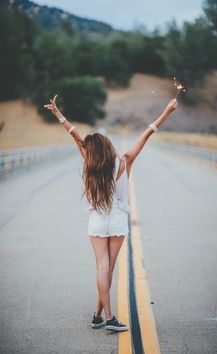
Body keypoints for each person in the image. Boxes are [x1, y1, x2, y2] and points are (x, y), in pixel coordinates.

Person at [44, 94, 177, 332]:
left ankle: (98, 315)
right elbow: (147, 133)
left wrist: (57, 114)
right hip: (116, 221)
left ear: (93, 151)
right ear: (108, 147)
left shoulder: (90, 164)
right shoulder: (124, 162)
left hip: (96, 220)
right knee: (109, 269)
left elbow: (74, 134)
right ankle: (110, 317)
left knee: (101, 268)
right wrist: (166, 112)